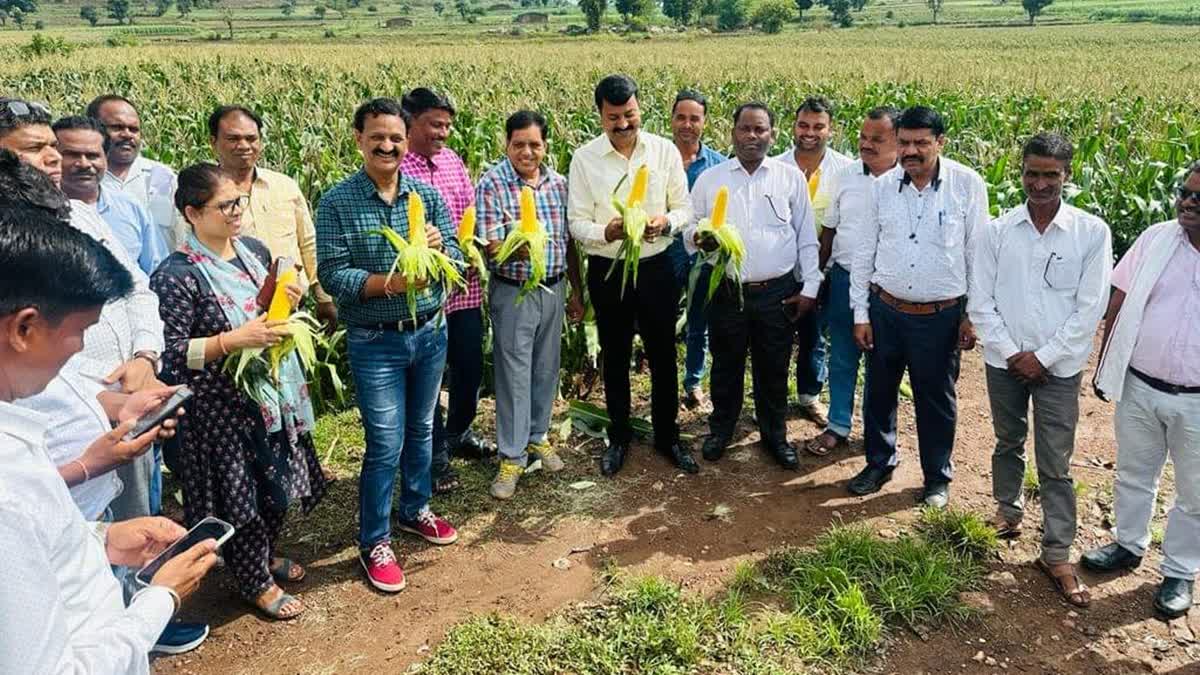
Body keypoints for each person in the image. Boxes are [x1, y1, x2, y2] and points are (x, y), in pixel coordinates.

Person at [0, 204, 218, 674]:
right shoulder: (8, 483)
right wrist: (160, 599)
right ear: (23, 328)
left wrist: (102, 539)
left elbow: (33, 545)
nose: (81, 349)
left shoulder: (13, 434)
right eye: (80, 331)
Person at [150, 163, 327, 620]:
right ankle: (253, 581)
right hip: (219, 413)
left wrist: (289, 303)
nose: (236, 212)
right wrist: (231, 342)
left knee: (277, 488)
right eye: (224, 205)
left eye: (238, 202)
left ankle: (263, 555)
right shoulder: (176, 276)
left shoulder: (252, 250)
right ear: (192, 213)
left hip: (271, 399)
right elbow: (169, 353)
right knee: (242, 497)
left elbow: (268, 307)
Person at [316, 98, 461, 593]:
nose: (387, 145)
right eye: (377, 136)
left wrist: (443, 250)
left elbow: (459, 254)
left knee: (422, 428)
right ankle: (373, 538)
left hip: (429, 332)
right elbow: (333, 274)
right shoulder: (337, 202)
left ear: (406, 141)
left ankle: (415, 507)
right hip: (376, 340)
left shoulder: (425, 194)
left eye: (396, 138)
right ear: (358, 138)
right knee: (385, 442)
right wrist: (390, 284)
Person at [969, 133, 1112, 608]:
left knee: (1055, 461)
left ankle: (1056, 552)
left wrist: (1042, 357)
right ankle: (1008, 511)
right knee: (1007, 442)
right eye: (1032, 172)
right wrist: (1014, 353)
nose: (1040, 182)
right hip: (1003, 362)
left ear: (1067, 175)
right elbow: (981, 301)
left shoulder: (1091, 233)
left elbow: (1089, 309)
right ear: (1022, 172)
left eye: (1051, 174)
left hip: (1059, 369)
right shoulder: (997, 231)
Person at [849, 106, 989, 508]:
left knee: (935, 398)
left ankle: (936, 478)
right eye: (904, 143)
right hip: (886, 311)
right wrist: (861, 313)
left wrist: (971, 315)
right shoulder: (880, 188)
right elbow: (864, 253)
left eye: (920, 143)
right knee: (878, 393)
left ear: (940, 143)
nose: (911, 151)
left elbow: (977, 253)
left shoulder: (967, 185)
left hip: (939, 316)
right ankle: (879, 462)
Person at [1084, 159, 1200, 619]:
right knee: (1134, 471)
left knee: (1195, 493)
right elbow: (1120, 297)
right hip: (1141, 384)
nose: (1188, 202)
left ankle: (1180, 571)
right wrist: (1106, 366)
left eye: (1199, 198)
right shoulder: (1156, 238)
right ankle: (1128, 545)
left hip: (1197, 399)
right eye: (1185, 192)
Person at [567, 74, 697, 476]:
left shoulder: (663, 152)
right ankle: (619, 436)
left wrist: (666, 222)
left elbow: (685, 208)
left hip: (657, 266)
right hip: (609, 268)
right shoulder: (584, 159)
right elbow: (576, 222)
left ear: (640, 109)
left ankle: (667, 434)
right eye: (613, 117)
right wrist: (606, 231)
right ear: (600, 116)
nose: (623, 124)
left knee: (662, 354)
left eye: (629, 114)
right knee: (617, 354)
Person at [686, 102, 821, 469]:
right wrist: (698, 237)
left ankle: (774, 435)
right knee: (726, 364)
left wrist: (810, 286)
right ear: (732, 133)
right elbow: (689, 226)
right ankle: (721, 430)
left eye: (760, 129)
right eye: (745, 128)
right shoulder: (711, 179)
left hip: (776, 290)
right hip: (727, 288)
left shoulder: (788, 177)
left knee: (773, 366)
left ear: (773, 135)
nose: (752, 136)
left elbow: (806, 236)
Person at [478, 110, 585, 499]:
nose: (527, 152)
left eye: (534, 144)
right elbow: (490, 247)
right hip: (513, 291)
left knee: (545, 368)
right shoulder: (491, 184)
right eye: (519, 144)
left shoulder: (559, 184)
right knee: (513, 373)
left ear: (545, 146)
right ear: (505, 144)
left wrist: (577, 290)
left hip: (553, 287)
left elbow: (569, 243)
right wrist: (519, 246)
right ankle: (511, 455)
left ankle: (538, 436)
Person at [804, 106, 899, 457]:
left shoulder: (907, 182)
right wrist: (815, 281)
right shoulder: (844, 176)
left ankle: (879, 431)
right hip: (845, 279)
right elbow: (828, 233)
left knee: (883, 363)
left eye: (877, 139)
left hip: (887, 288)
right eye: (863, 137)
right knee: (843, 355)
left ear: (897, 142)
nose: (867, 144)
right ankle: (838, 424)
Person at [208, 104, 338, 328]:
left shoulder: (284, 186)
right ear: (213, 142)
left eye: (251, 138)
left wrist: (323, 297)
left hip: (294, 306)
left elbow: (307, 242)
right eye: (233, 139)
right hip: (236, 314)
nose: (244, 146)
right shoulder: (205, 195)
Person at [775, 96, 855, 428]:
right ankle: (772, 398)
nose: (810, 133)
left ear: (830, 130)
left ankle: (809, 395)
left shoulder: (846, 170)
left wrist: (820, 271)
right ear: (793, 127)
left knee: (815, 337)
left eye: (818, 127)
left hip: (826, 268)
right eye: (803, 125)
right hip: (782, 268)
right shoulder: (775, 166)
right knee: (777, 338)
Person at [666, 89, 726, 411]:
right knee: (661, 320)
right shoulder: (659, 159)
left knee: (700, 321)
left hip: (704, 255)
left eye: (694, 118)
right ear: (671, 119)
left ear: (704, 122)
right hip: (664, 251)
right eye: (681, 117)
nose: (687, 125)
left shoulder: (719, 164)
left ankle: (693, 382)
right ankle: (665, 383)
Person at [53, 115, 169, 275]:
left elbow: (157, 270)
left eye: (93, 155)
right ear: (52, 157)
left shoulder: (130, 208)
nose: (84, 164)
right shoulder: (39, 212)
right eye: (72, 155)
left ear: (106, 157)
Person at [88, 94, 180, 251]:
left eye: (134, 129)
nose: (127, 135)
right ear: (92, 129)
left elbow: (182, 234)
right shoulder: (81, 180)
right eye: (117, 128)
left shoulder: (162, 177)